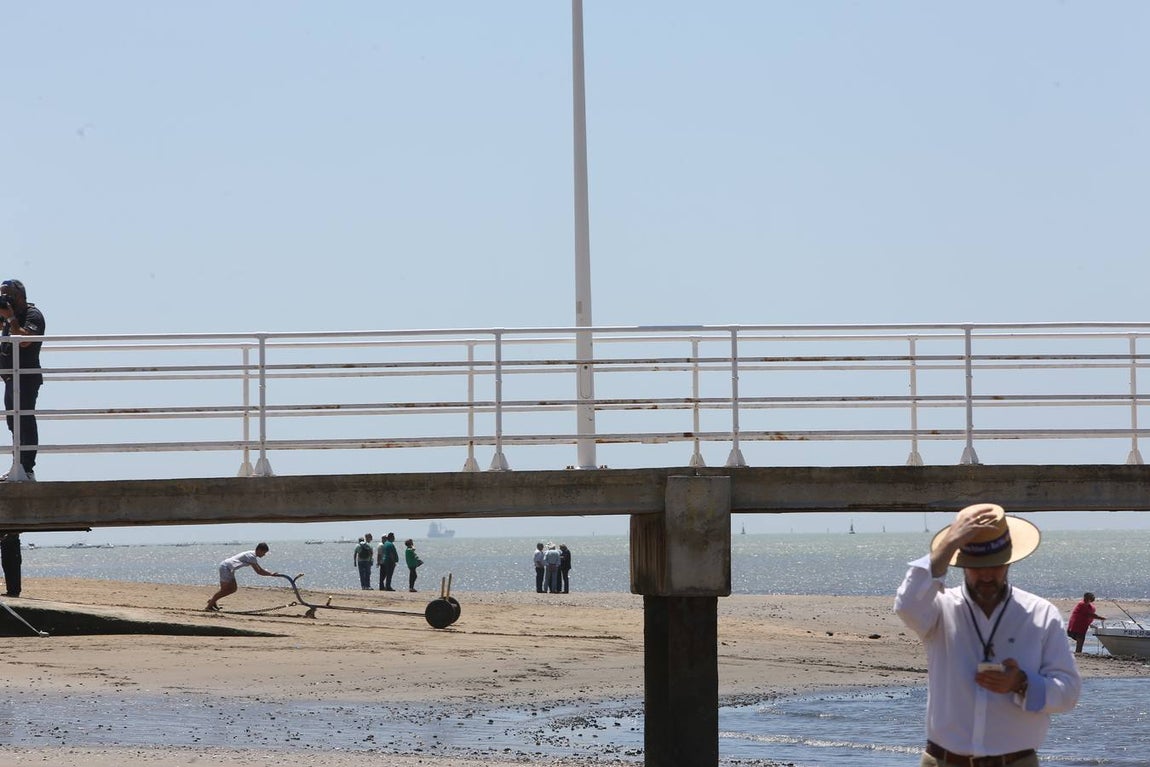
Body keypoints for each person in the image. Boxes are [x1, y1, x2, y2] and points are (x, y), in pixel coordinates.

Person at [895, 503, 1081, 767]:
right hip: (944, 760)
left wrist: (1021, 683)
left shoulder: (1040, 613)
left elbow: (1069, 693)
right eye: (976, 566)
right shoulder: (939, 608)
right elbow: (906, 605)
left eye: (995, 565)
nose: (986, 574)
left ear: (1008, 561)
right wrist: (947, 544)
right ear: (960, 564)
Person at [0, 280, 45, 482]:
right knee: (13, 422)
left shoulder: (32, 315)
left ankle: (27, 469)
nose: (4, 298)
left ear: (19, 295)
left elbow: (26, 340)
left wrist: (11, 320)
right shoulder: (9, 318)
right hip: (11, 377)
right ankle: (16, 465)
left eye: (7, 294)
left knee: (24, 420)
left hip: (26, 376)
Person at [205, 543, 277, 611]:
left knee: (230, 589)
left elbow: (260, 569)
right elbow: (259, 571)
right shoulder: (251, 556)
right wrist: (271, 574)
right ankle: (209, 606)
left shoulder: (252, 554)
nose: (264, 555)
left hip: (229, 568)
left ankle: (212, 601)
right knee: (228, 589)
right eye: (264, 552)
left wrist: (271, 573)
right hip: (225, 567)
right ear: (259, 550)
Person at [1, 531, 22, 597]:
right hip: (5, 543)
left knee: (14, 568)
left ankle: (15, 591)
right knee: (6, 567)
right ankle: (10, 591)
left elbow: (21, 529)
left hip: (13, 542)